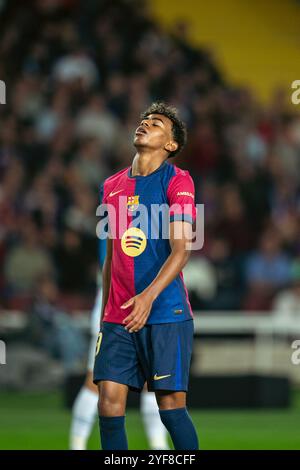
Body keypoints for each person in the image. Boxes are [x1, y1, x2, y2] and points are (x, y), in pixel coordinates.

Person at [94, 102, 199, 450]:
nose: (145, 124)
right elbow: (111, 255)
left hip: (165, 312)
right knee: (108, 402)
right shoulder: (111, 185)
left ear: (171, 145)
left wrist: (148, 296)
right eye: (144, 120)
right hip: (119, 314)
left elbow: (181, 250)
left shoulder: (179, 181)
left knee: (170, 408)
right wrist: (106, 312)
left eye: (155, 123)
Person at [69, 242, 169, 450]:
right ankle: (76, 445)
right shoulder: (115, 210)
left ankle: (159, 447)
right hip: (116, 298)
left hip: (152, 298)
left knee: (154, 379)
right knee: (97, 381)